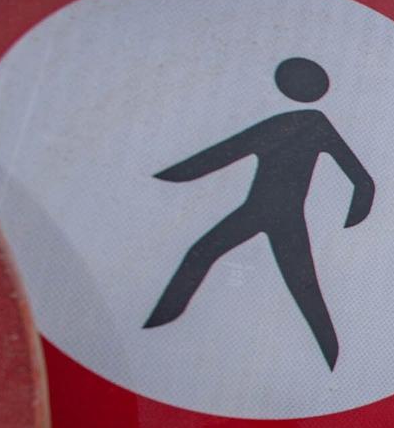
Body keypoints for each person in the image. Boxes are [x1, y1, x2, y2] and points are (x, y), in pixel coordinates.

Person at [143, 57, 374, 368]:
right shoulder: (285, 124)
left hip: (284, 216)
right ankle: (158, 322)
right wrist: (172, 175)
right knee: (202, 253)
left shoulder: (312, 124)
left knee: (302, 285)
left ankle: (332, 357)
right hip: (258, 210)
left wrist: (357, 212)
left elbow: (361, 178)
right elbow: (223, 154)